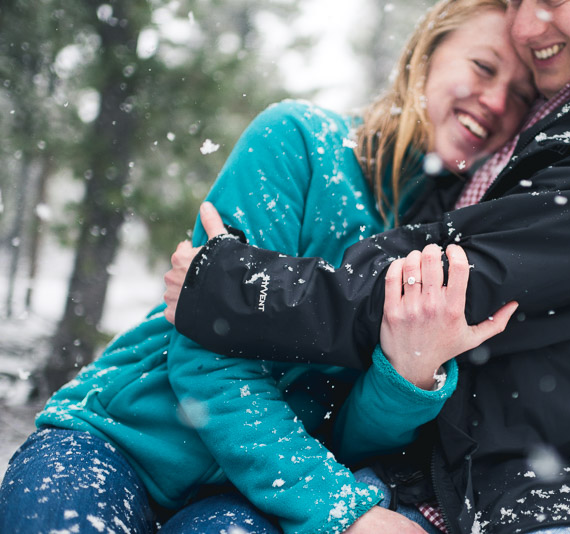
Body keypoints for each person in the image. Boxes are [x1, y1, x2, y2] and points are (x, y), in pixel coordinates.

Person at [163, 0, 570, 533]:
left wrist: (239, 288)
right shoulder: (503, 147)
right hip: (440, 494)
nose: (527, 24)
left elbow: (448, 285)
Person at [0, 1, 534, 533]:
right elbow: (207, 358)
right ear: (426, 54)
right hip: (121, 442)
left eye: (520, 96)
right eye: (483, 68)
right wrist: (339, 509)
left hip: (248, 500)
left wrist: (407, 379)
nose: (494, 101)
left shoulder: (452, 249)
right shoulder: (301, 143)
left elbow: (345, 434)